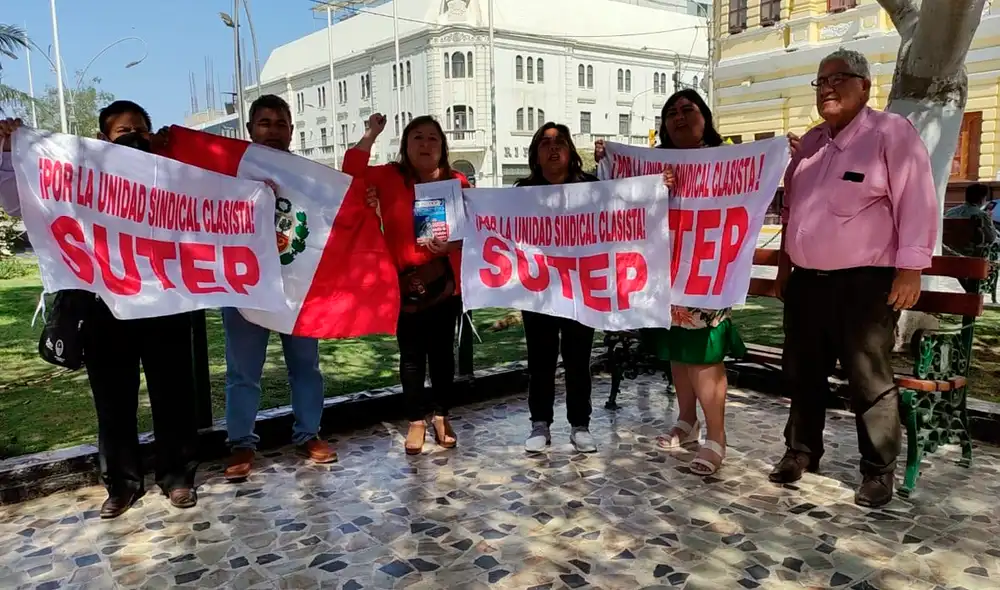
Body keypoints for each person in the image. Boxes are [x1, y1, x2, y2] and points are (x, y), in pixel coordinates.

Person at [2, 103, 201, 518]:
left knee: (174, 394)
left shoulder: (173, 177)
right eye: (122, 130)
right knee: (113, 400)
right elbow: (19, 201)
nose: (133, 136)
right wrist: (9, 151)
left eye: (140, 129)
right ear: (102, 139)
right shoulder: (80, 182)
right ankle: (122, 484)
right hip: (103, 308)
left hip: (164, 303)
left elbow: (215, 205)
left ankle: (178, 477)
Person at [771, 49, 938, 508]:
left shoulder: (890, 133)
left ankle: (878, 470)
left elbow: (917, 201)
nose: (827, 87)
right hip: (807, 281)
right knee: (803, 373)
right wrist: (786, 266)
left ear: (865, 85)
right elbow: (791, 212)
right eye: (820, 80)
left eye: (839, 78)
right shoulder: (809, 144)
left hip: (864, 284)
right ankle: (801, 451)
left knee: (868, 378)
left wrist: (910, 268)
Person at [596, 89, 745, 475]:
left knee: (703, 353)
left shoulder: (724, 161)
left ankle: (717, 436)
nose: (678, 117)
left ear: (705, 116)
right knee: (678, 350)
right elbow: (620, 201)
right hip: (665, 272)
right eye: (670, 112)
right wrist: (611, 165)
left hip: (705, 272)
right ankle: (686, 419)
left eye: (687, 109)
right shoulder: (655, 166)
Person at [223, 95, 337, 481]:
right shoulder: (229, 171)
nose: (272, 130)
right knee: (243, 371)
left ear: (291, 130)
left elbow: (331, 212)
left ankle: (308, 433)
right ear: (251, 128)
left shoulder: (309, 175)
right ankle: (241, 443)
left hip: (299, 284)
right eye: (264, 123)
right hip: (245, 284)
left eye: (280, 123)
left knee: (306, 366)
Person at [343, 113, 467, 455]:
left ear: (442, 146)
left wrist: (453, 244)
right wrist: (370, 134)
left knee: (443, 356)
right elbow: (351, 171)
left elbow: (473, 229)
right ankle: (415, 420)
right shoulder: (388, 177)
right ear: (405, 145)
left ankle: (442, 416)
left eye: (433, 138)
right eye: (418, 137)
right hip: (404, 283)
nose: (426, 144)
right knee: (411, 357)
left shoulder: (457, 182)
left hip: (446, 283)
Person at [517, 123, 600, 454]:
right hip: (538, 291)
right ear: (536, 154)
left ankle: (580, 425)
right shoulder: (522, 191)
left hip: (581, 289)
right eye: (545, 143)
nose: (553, 148)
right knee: (541, 359)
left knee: (579, 358)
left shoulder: (593, 188)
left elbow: (628, 203)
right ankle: (540, 423)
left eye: (560, 142)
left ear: (570, 151)